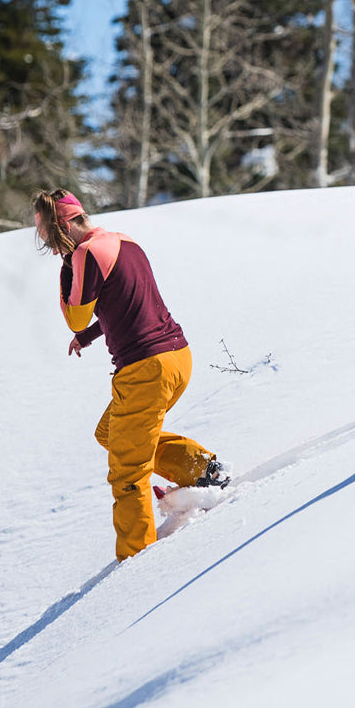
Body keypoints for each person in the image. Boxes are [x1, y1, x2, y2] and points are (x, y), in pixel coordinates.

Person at [33, 189, 228, 561]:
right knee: (112, 433)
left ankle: (137, 559)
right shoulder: (124, 242)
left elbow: (74, 314)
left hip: (145, 369)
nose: (54, 251)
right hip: (176, 357)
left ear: (64, 227)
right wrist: (90, 335)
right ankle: (202, 468)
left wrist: (66, 271)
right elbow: (128, 302)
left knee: (127, 469)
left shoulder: (84, 254)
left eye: (51, 242)